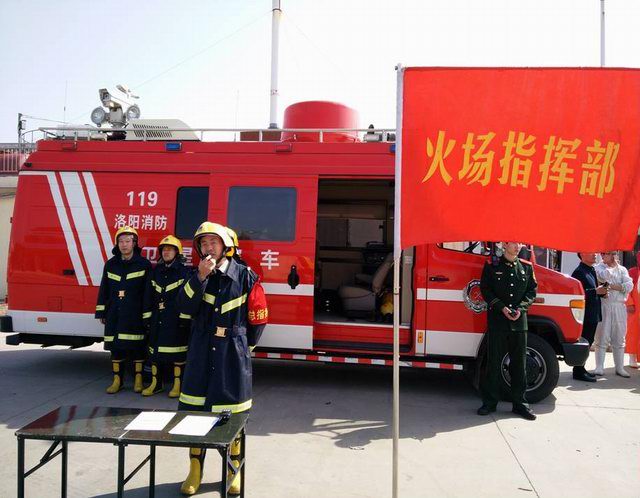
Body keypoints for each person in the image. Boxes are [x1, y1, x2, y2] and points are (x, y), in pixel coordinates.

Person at [176, 222, 268, 496]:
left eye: (213, 242)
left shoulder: (246, 276)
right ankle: (195, 470)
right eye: (203, 243)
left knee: (233, 417)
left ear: (226, 246)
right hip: (201, 351)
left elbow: (258, 317)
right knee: (195, 413)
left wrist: (243, 347)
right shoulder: (196, 275)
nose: (208, 248)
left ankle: (233, 470)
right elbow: (183, 307)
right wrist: (200, 278)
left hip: (232, 353)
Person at [477, 241, 537, 421]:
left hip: (519, 323)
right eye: (513, 243)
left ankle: (520, 404)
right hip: (498, 321)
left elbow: (531, 291)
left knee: (519, 364)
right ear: (504, 245)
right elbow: (486, 289)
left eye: (519, 243)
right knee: (494, 363)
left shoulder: (526, 267)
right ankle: (489, 402)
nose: (517, 246)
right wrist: (502, 308)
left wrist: (521, 309)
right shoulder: (491, 265)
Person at [95, 226, 152, 394]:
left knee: (138, 348)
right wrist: (102, 311)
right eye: (121, 241)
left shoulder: (144, 264)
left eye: (128, 241)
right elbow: (104, 289)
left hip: (135, 313)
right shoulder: (111, 264)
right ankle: (117, 381)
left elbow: (147, 293)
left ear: (134, 243)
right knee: (116, 348)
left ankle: (138, 381)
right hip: (115, 313)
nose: (124, 244)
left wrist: (146, 315)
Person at [142, 235, 192, 397]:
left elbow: (187, 298)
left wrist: (185, 318)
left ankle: (178, 385)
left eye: (170, 249)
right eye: (164, 249)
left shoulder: (184, 272)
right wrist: (147, 317)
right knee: (154, 352)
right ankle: (156, 384)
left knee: (178, 352)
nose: (166, 252)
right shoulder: (156, 272)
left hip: (175, 319)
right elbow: (148, 295)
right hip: (157, 318)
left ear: (177, 253)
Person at [594, 251, 634, 377]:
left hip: (619, 306)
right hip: (604, 305)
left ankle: (619, 368)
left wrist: (613, 286)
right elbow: (603, 277)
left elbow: (630, 285)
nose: (610, 256)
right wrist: (612, 267)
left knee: (619, 337)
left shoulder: (622, 269)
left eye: (612, 253)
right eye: (606, 254)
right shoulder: (598, 267)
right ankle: (599, 367)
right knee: (602, 336)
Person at [571, 253, 608, 382]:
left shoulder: (591, 270)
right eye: (591, 252)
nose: (595, 255)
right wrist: (595, 291)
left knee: (589, 341)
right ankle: (578, 371)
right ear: (582, 254)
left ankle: (581, 369)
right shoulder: (579, 272)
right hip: (585, 314)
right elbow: (577, 293)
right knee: (584, 342)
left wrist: (602, 293)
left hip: (593, 312)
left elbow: (593, 290)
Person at [626, 253, 640, 368]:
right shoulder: (632, 272)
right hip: (635, 306)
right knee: (633, 332)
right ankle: (632, 357)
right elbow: (627, 290)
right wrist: (629, 303)